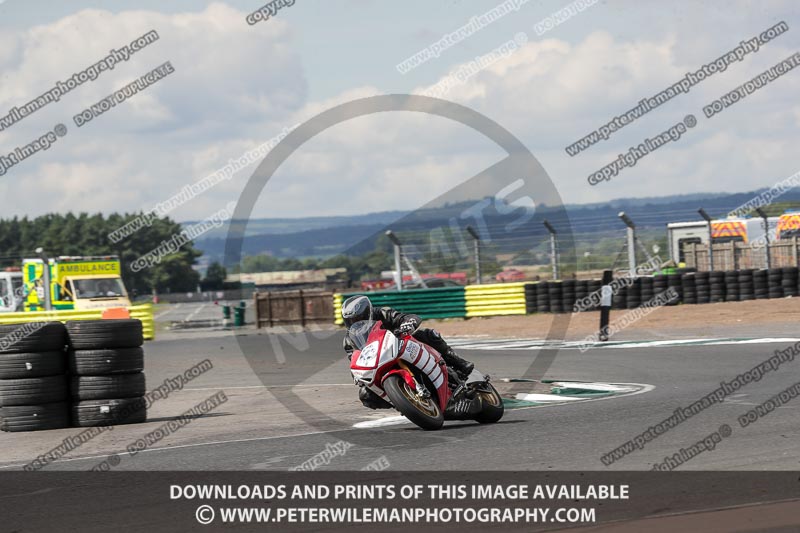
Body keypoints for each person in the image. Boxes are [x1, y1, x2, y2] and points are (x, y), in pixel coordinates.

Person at [341, 295, 474, 409]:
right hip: (378, 361)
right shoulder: (349, 340)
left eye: (358, 319)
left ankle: (458, 362)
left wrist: (408, 323)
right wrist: (357, 376)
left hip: (400, 345)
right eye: (350, 321)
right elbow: (354, 360)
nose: (355, 323)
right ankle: (404, 403)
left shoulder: (382, 313)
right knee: (365, 395)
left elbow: (406, 317)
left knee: (428, 334)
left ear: (367, 313)